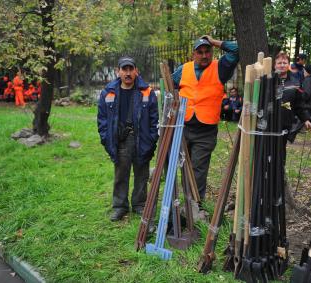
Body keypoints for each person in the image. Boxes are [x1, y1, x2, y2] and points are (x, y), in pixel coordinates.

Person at [172, 35, 239, 200]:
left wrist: (214, 41)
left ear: (212, 52)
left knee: (198, 169)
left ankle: (195, 204)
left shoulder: (220, 68)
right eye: (199, 52)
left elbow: (236, 50)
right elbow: (170, 85)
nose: (203, 55)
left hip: (205, 131)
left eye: (207, 51)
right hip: (184, 126)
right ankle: (183, 204)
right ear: (193, 54)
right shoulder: (183, 69)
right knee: (182, 166)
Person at [97, 56, 159, 221]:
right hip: (121, 141)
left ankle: (139, 205)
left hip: (142, 139)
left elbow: (155, 120)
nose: (128, 73)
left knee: (142, 175)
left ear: (136, 71)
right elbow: (102, 120)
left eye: (131, 69)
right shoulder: (108, 93)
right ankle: (119, 206)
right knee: (120, 175)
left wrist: (152, 139)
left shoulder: (147, 92)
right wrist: (106, 138)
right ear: (118, 72)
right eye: (124, 69)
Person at [274, 51, 311, 162]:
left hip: (285, 122)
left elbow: (298, 104)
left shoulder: (295, 82)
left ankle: (280, 174)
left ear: (288, 65)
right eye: (279, 63)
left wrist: (305, 119)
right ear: (274, 65)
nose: (282, 65)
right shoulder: (268, 80)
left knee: (280, 150)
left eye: (285, 63)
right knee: (267, 149)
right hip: (269, 123)